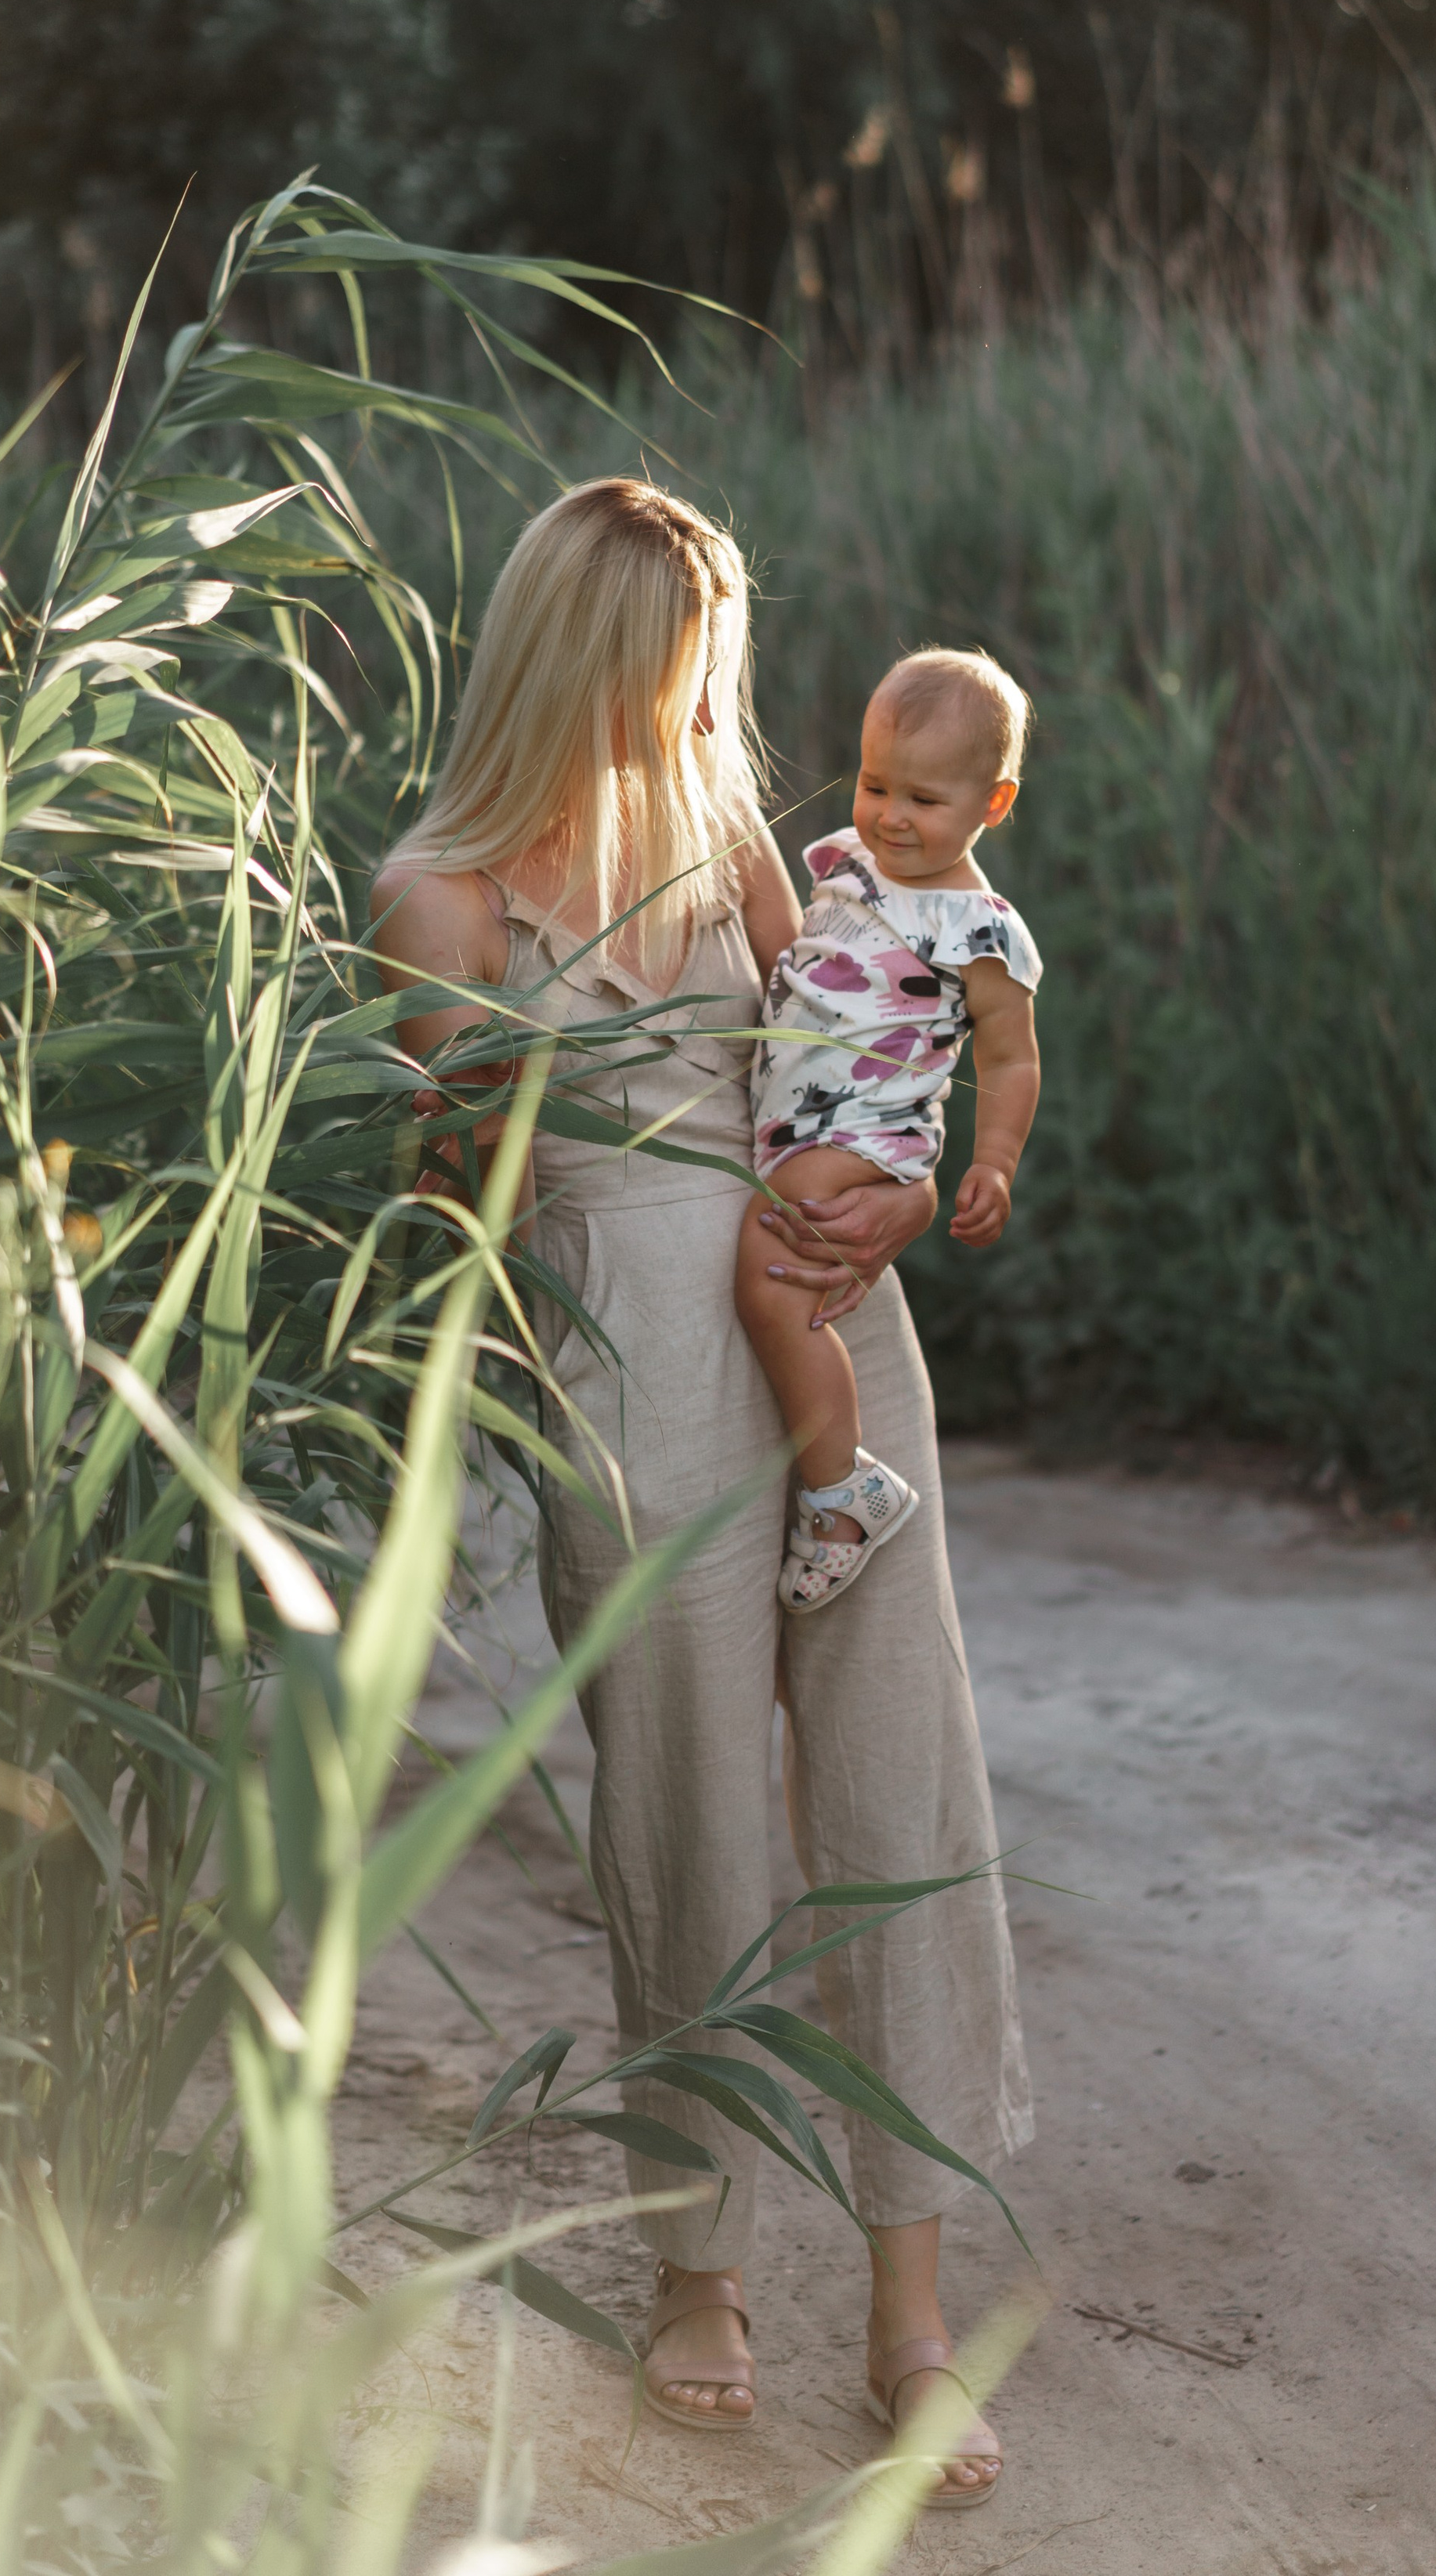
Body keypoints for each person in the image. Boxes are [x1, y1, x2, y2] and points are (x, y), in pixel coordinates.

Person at [372, 478, 1031, 2509]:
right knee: (685, 1815)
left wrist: (904, 1194)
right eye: (681, 667)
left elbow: (863, 1048)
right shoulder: (449, 886)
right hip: (628, 1379)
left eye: (716, 671)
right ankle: (702, 2268)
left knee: (898, 1777)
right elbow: (452, 1195)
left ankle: (914, 2306)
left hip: (826, 1332)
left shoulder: (740, 837)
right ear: (589, 653)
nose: (708, 706)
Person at [736, 649, 1041, 1613]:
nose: (890, 815)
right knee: (776, 1280)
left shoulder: (975, 929)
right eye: (873, 784)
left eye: (923, 798)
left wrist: (992, 1162)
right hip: (797, 1115)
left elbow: (1011, 1058)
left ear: (993, 805)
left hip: (865, 1126)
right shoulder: (848, 864)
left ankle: (843, 1490)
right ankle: (828, 1476)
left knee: (772, 1277)